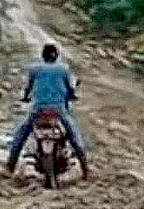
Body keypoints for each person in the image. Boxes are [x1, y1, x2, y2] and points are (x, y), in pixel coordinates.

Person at [6, 44, 89, 178]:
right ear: (56, 55)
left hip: (38, 109)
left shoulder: (34, 69)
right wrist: (72, 95)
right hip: (59, 109)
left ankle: (10, 166)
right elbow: (70, 88)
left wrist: (25, 97)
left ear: (43, 56)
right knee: (74, 136)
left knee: (20, 135)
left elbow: (28, 89)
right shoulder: (64, 68)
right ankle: (85, 169)